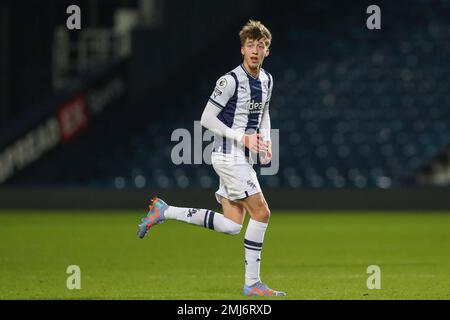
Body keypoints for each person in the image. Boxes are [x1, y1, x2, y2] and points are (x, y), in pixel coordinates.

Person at [137, 20, 285, 297]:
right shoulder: (230, 81)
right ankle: (252, 284)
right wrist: (243, 139)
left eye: (261, 46)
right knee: (262, 212)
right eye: (250, 45)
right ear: (242, 49)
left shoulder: (267, 80)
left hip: (243, 157)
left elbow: (264, 113)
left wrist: (265, 140)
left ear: (268, 51)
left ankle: (164, 211)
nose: (255, 50)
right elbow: (206, 119)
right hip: (229, 156)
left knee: (231, 225)